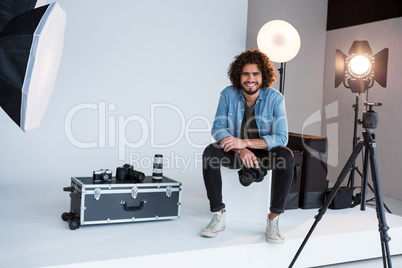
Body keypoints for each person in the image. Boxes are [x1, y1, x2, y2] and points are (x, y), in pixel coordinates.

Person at [201, 49, 295, 244]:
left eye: (255, 74)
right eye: (246, 73)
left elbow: (281, 137)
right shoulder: (228, 94)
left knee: (285, 156)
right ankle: (218, 214)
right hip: (236, 152)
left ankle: (274, 218)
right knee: (210, 152)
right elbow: (218, 128)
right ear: (239, 75)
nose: (250, 79)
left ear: (263, 76)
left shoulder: (275, 99)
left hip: (263, 154)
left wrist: (246, 143)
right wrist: (240, 149)